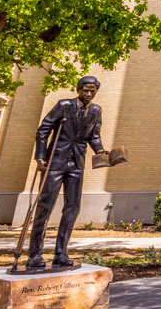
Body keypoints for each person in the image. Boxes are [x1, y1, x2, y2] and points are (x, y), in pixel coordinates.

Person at [27, 76, 107, 269]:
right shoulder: (64, 105)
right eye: (85, 90)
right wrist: (40, 157)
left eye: (92, 91)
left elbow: (94, 136)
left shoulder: (96, 111)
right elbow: (43, 130)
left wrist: (101, 150)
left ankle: (61, 253)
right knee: (44, 208)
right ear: (78, 89)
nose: (88, 93)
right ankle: (35, 254)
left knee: (72, 208)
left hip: (76, 164)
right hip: (55, 162)